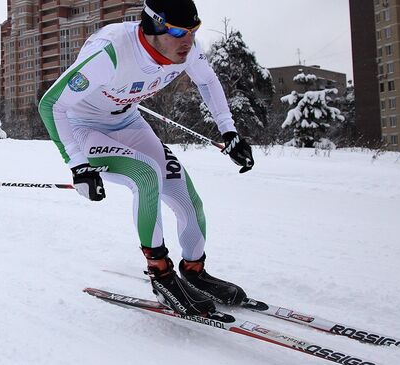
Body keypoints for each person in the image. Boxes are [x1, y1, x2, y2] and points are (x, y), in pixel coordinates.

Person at [39, 0, 254, 316]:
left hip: (128, 121)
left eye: (193, 31)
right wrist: (77, 165)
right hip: (85, 127)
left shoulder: (186, 50)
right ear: (153, 28)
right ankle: (160, 272)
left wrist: (228, 130)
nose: (188, 42)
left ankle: (194, 272)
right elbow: (51, 104)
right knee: (146, 175)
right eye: (179, 32)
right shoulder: (110, 53)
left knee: (185, 195)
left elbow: (207, 80)